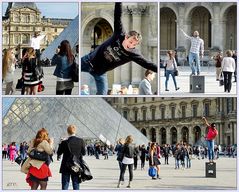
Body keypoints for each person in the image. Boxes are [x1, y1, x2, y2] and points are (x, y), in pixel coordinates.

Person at [81, 3, 157, 95]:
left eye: (134, 44)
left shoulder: (133, 54)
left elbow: (147, 64)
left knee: (102, 93)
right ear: (126, 37)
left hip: (100, 72)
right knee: (70, 69)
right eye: (130, 42)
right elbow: (117, 15)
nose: (130, 45)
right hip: (88, 61)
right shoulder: (119, 34)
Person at [57, 125, 86, 190]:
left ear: (67, 132)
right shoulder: (81, 141)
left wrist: (60, 143)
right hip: (76, 165)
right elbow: (84, 153)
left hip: (65, 165)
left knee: (65, 185)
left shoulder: (64, 142)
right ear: (75, 131)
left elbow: (59, 152)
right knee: (76, 184)